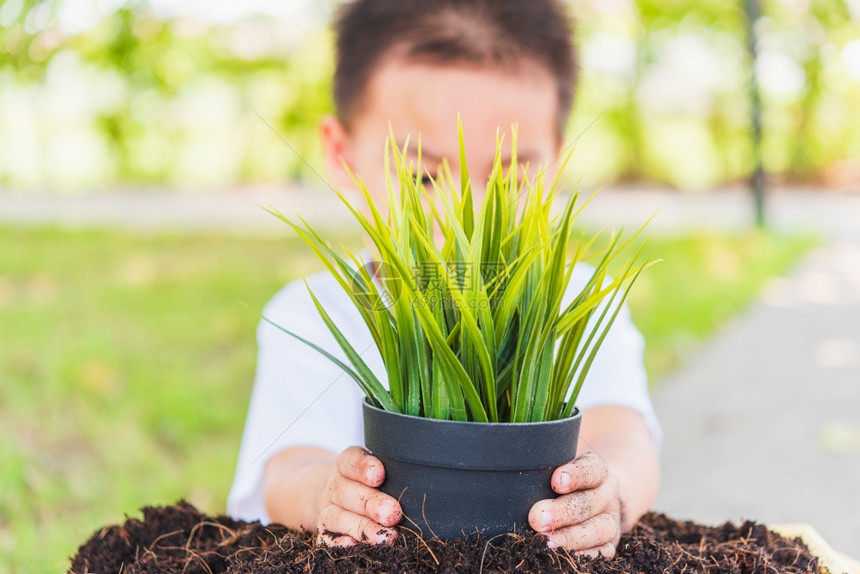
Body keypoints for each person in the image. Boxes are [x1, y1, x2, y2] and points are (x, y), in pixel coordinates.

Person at [228, 0, 661, 558]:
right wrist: (323, 493)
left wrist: (611, 495)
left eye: (510, 180)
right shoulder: (310, 311)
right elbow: (287, 465)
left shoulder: (579, 300)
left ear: (556, 160)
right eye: (423, 178)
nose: (467, 218)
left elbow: (624, 434)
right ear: (343, 156)